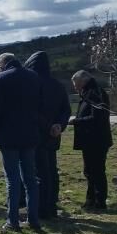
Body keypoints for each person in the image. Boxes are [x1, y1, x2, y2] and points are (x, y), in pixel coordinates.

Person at [0, 53, 43, 231]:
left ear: (1, 65)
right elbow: (41, 105)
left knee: (12, 179)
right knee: (30, 179)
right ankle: (34, 219)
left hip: (8, 136)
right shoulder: (34, 77)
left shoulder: (0, 79)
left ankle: (13, 221)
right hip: (30, 134)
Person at [24, 51, 71, 220]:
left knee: (40, 173)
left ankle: (42, 209)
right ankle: (52, 205)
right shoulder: (58, 85)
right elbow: (66, 109)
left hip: (37, 134)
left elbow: (32, 111)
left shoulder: (32, 84)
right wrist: (59, 125)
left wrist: (48, 125)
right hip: (54, 135)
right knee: (52, 170)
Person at [71, 70, 112, 211]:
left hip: (97, 140)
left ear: (83, 81)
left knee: (97, 171)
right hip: (90, 140)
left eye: (76, 84)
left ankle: (100, 202)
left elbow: (97, 118)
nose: (75, 87)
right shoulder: (88, 92)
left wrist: (77, 121)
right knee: (89, 171)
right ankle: (91, 200)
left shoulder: (95, 93)